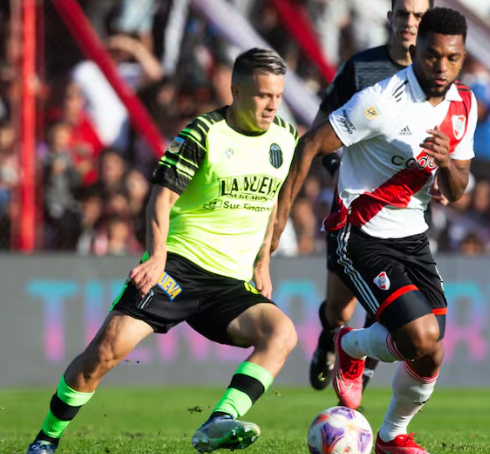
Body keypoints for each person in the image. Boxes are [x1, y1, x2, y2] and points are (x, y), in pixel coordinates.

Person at [26, 48, 299, 454]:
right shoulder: (202, 133)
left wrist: (263, 261)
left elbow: (273, 198)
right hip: (178, 267)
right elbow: (160, 198)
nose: (272, 105)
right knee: (104, 353)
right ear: (236, 90)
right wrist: (156, 257)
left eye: (277, 95)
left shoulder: (285, 137)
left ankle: (219, 421)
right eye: (262, 95)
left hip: (230, 282)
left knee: (282, 334)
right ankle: (46, 438)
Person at [272, 8, 476, 454]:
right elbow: (310, 144)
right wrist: (279, 220)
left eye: (452, 58)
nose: (441, 67)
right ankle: (348, 343)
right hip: (360, 233)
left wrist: (444, 164)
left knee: (431, 352)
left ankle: (389, 437)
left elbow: (457, 189)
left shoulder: (465, 104)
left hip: (413, 238)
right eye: (432, 55)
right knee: (417, 337)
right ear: (416, 49)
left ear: (462, 58)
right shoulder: (381, 100)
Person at [310, 0, 433, 396]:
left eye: (419, 16)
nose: (410, 23)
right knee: (339, 309)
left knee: (393, 305)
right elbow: (320, 132)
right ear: (390, 18)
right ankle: (330, 339)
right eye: (403, 14)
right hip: (355, 208)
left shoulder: (439, 77)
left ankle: (361, 376)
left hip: (405, 214)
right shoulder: (361, 69)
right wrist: (340, 171)